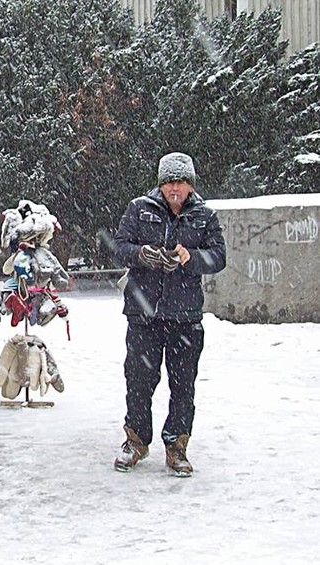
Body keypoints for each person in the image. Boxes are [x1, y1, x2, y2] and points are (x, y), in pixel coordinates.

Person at [111, 152, 226, 477]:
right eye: (169, 182)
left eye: (181, 182)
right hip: (143, 315)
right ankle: (136, 440)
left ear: (190, 185)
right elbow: (119, 245)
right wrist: (141, 254)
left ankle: (177, 446)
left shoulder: (204, 216)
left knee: (183, 384)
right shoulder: (139, 209)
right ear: (161, 184)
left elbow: (219, 257)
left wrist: (192, 258)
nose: (175, 189)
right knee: (138, 380)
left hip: (185, 317)